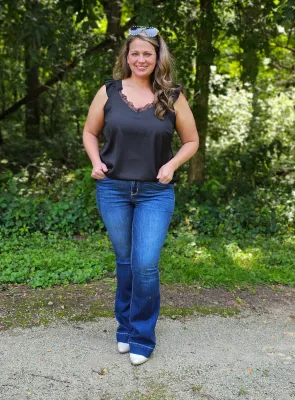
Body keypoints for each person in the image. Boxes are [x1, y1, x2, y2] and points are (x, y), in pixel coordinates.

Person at [82, 26, 199, 366]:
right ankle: (125, 328)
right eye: (135, 52)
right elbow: (90, 132)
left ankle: (142, 336)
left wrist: (173, 164)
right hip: (113, 190)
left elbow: (191, 141)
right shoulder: (109, 91)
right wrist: (95, 161)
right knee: (125, 262)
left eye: (148, 53)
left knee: (145, 264)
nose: (141, 58)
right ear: (127, 57)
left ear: (157, 57)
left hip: (154, 193)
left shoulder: (173, 95)